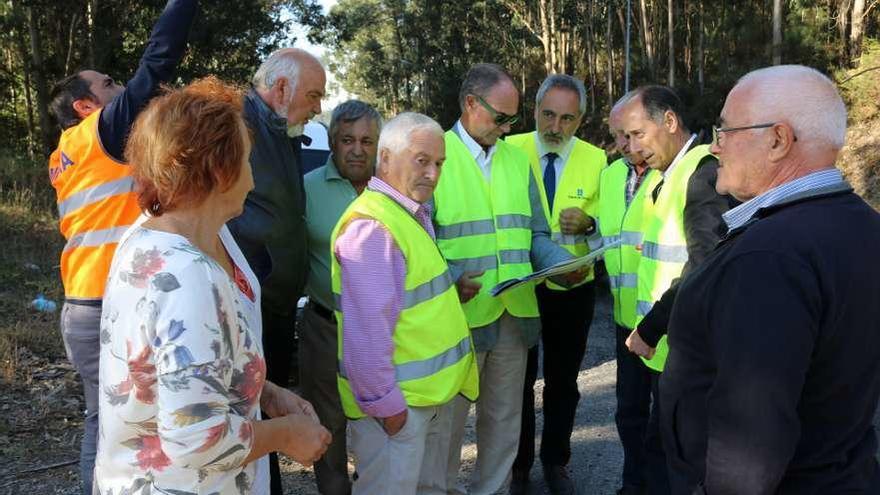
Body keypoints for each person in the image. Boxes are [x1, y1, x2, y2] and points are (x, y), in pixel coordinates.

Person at [95, 77, 331, 494]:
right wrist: (286, 434)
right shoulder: (186, 275)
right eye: (247, 160)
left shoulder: (176, 236)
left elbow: (188, 362)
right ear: (219, 170)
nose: (253, 179)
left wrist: (266, 393)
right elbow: (194, 439)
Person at [661, 65, 880, 495]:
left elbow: (750, 439)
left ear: (778, 140)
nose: (713, 147)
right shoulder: (863, 226)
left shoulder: (769, 256)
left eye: (723, 131)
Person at [46, 2, 197, 491]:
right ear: (85, 107)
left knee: (103, 418)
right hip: (109, 304)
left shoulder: (64, 153)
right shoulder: (98, 134)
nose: (120, 89)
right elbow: (156, 66)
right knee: (126, 423)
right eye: (108, 84)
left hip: (81, 306)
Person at [435, 63, 582, 495]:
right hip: (458, 316)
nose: (506, 128)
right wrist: (453, 277)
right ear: (469, 104)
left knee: (503, 422)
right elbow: (418, 239)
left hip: (514, 314)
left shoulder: (518, 161)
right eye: (500, 117)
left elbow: (536, 232)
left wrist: (562, 263)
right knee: (448, 426)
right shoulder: (435, 154)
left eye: (512, 119)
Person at [332, 112, 479, 494]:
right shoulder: (372, 227)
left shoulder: (407, 213)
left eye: (439, 163)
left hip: (423, 402)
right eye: (421, 160)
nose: (433, 173)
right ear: (385, 158)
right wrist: (388, 409)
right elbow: (366, 334)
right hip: (398, 412)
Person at [616, 85, 734, 493]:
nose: (631, 147)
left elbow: (706, 263)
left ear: (669, 121)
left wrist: (651, 328)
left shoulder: (703, 173)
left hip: (685, 353)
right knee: (659, 453)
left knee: (674, 464)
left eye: (637, 135)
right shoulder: (666, 178)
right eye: (626, 138)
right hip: (669, 353)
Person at [226, 47, 326, 493]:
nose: (319, 106)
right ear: (282, 88)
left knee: (269, 408)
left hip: (275, 305)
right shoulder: (237, 125)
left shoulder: (280, 126)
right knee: (249, 417)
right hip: (250, 303)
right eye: (315, 94)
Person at [505, 74, 606, 495]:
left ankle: (556, 461)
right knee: (519, 382)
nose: (555, 127)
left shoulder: (597, 160)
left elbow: (610, 230)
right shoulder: (509, 150)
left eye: (567, 118)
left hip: (573, 289)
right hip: (521, 287)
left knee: (564, 380)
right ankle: (519, 465)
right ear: (534, 111)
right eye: (548, 114)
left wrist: (590, 224)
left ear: (580, 120)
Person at [302, 99, 381, 494]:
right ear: (333, 141)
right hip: (325, 327)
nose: (357, 149)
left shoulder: (392, 189)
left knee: (378, 419)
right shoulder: (307, 189)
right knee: (328, 424)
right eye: (348, 139)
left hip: (383, 332)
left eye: (367, 141)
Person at [599, 98, 661, 495]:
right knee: (630, 414)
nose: (624, 143)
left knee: (670, 421)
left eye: (632, 133)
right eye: (617, 135)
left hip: (664, 325)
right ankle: (633, 484)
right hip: (625, 322)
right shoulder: (610, 177)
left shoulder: (669, 172)